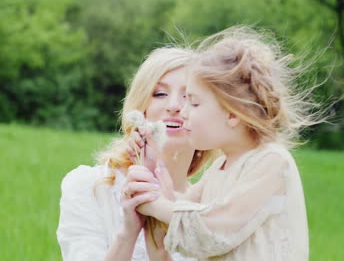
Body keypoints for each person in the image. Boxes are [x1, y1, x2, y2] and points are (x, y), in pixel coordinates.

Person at [135, 26, 324, 260]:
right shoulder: (219, 168)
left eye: (193, 103)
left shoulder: (271, 162)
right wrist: (156, 179)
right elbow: (184, 213)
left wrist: (155, 205)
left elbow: (212, 230)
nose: (182, 112)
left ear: (233, 113)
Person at [56, 47, 214, 261]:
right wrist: (128, 233)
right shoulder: (90, 186)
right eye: (159, 93)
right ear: (141, 106)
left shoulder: (211, 209)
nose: (174, 106)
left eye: (190, 97)